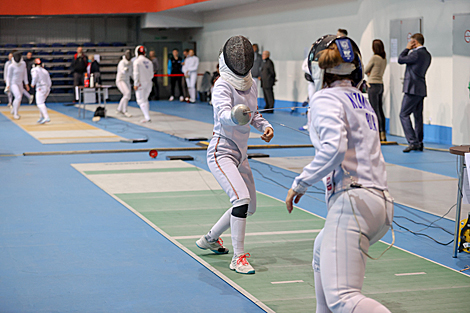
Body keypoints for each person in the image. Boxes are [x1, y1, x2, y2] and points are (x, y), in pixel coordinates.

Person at [285, 35, 393, 313]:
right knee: (321, 251)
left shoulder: (325, 99)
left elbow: (334, 149)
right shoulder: (362, 99)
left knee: (343, 298)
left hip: (352, 204)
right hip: (379, 204)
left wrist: (300, 183)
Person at [196, 35, 274, 275]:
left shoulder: (251, 84)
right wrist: (235, 115)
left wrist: (265, 126)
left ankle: (209, 238)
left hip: (241, 154)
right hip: (222, 152)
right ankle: (238, 257)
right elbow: (222, 115)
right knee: (241, 200)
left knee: (248, 207)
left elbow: (254, 114)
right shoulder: (221, 85)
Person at [398, 33, 432, 152]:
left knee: (403, 114)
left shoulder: (415, 54)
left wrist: (407, 48)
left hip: (411, 88)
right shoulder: (427, 55)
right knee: (418, 116)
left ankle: (412, 141)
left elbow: (400, 59)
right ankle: (419, 141)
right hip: (421, 88)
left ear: (414, 42)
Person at [365, 39, 387, 142]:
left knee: (373, 110)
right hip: (380, 85)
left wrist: (369, 73)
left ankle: (376, 134)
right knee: (380, 110)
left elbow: (365, 70)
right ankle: (383, 134)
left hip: (372, 84)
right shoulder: (384, 59)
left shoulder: (374, 58)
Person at [6, 51, 30, 120]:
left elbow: (25, 74)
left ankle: (14, 109)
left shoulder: (23, 64)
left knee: (19, 98)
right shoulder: (11, 66)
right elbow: (8, 76)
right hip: (13, 83)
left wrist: (26, 84)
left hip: (20, 83)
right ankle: (15, 114)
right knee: (18, 96)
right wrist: (8, 85)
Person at [133, 45, 154, 123]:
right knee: (145, 100)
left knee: (140, 101)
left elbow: (136, 73)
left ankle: (147, 117)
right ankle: (147, 116)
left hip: (141, 83)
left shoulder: (137, 61)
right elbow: (152, 74)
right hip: (149, 83)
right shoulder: (149, 61)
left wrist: (136, 83)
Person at [30, 58, 52, 124]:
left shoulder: (34, 70)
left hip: (40, 88)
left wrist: (32, 83)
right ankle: (41, 117)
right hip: (46, 88)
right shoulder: (45, 71)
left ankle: (46, 117)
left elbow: (35, 77)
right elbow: (49, 81)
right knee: (42, 102)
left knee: (40, 103)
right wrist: (48, 88)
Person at [116, 49, 133, 117]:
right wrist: (125, 69)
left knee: (127, 96)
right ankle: (124, 111)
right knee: (127, 93)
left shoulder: (131, 63)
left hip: (127, 80)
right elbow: (123, 71)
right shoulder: (122, 62)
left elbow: (131, 73)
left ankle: (119, 109)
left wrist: (136, 81)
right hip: (120, 80)